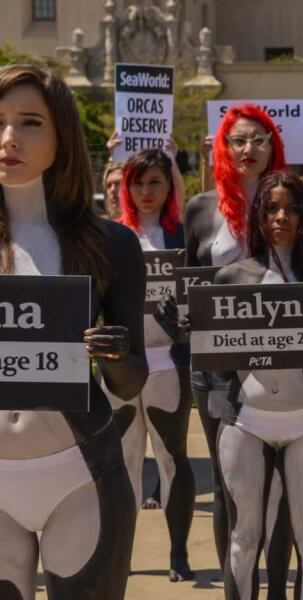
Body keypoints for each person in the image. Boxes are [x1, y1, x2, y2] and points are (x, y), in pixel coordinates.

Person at [0, 64, 147, 599]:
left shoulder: (112, 244)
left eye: (30, 122)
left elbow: (132, 382)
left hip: (82, 473)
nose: (9, 138)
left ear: (62, 135)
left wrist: (117, 355)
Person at [161, 103, 295, 596]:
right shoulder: (201, 208)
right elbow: (184, 288)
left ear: (272, 146)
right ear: (224, 147)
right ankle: (236, 587)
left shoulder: (289, 205)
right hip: (215, 371)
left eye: (259, 139)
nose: (249, 149)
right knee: (228, 484)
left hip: (282, 364)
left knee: (280, 486)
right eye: (239, 140)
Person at [215, 171, 303, 600]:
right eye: (272, 207)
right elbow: (218, 364)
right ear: (258, 214)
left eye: (292, 208)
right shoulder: (232, 278)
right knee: (244, 535)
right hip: (246, 421)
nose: (281, 217)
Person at [107, 148, 196, 582]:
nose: (146, 191)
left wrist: (182, 321)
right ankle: (120, 554)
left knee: (171, 458)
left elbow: (199, 300)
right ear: (127, 187)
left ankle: (179, 553)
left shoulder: (181, 237)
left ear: (169, 186)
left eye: (155, 182)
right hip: (121, 369)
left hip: (168, 364)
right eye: (138, 183)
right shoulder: (110, 235)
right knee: (123, 461)